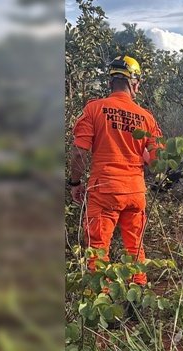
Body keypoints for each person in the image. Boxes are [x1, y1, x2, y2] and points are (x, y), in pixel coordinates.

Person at [69, 55, 162, 287]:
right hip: (135, 193)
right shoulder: (147, 118)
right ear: (134, 83)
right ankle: (138, 295)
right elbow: (156, 162)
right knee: (135, 246)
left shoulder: (94, 109)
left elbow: (80, 153)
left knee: (98, 249)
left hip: (104, 190)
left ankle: (101, 304)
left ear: (111, 82)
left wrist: (75, 182)